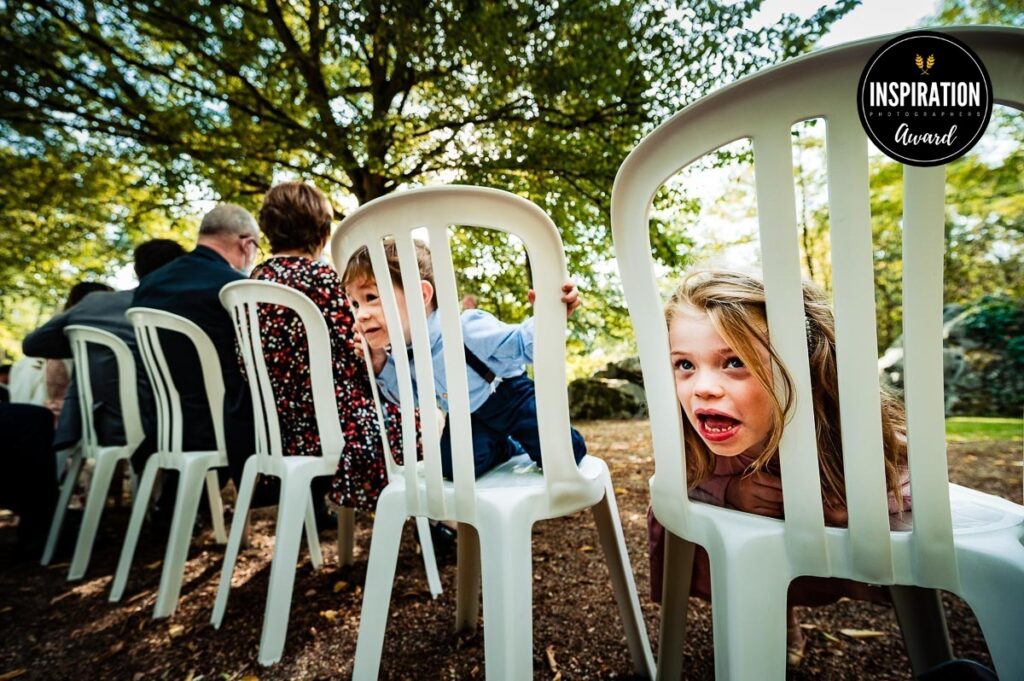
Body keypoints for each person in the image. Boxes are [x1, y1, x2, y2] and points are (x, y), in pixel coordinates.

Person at [647, 269, 910, 666]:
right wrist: (728, 492)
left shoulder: (847, 425)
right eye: (684, 365)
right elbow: (676, 489)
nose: (702, 386)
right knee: (729, 537)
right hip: (750, 552)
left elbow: (912, 483)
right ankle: (778, 618)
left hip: (830, 547)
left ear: (802, 367)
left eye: (734, 361)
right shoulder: (689, 436)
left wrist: (858, 504)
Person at [342, 238, 586, 479]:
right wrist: (379, 363)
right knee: (451, 468)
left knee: (564, 455)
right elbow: (412, 397)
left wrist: (549, 313)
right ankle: (506, 446)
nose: (360, 314)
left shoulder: (467, 329)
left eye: (371, 297)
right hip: (467, 417)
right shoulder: (404, 354)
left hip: (510, 398)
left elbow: (523, 343)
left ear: (421, 294)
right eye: (354, 303)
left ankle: (529, 439)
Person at [250, 181, 409, 516]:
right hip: (337, 431)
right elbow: (360, 355)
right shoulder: (325, 279)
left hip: (276, 432)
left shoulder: (250, 284)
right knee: (431, 418)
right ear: (323, 231)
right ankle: (442, 523)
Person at [132, 205, 260, 485]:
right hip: (224, 427)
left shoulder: (149, 285)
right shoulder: (232, 287)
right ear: (247, 244)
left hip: (164, 424)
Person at [22, 242, 186, 459]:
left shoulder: (94, 303)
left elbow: (32, 344)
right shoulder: (179, 307)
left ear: (137, 270)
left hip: (93, 422)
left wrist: (87, 348)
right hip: (159, 427)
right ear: (180, 269)